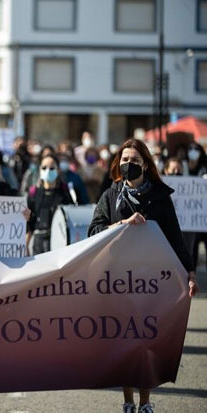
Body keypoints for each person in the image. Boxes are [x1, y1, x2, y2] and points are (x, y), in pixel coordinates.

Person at [87, 138, 198, 413]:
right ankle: (127, 400)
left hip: (151, 282)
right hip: (118, 281)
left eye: (134, 161)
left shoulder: (160, 197)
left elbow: (175, 238)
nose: (128, 165)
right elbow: (93, 232)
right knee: (124, 342)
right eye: (124, 160)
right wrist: (122, 224)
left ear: (146, 165)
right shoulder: (110, 196)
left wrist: (191, 272)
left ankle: (146, 402)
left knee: (145, 342)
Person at [26, 154, 73, 255]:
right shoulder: (34, 193)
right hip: (38, 242)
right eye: (44, 167)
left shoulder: (64, 193)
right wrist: (26, 244)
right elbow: (29, 224)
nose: (48, 170)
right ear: (40, 170)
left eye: (52, 168)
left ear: (58, 170)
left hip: (58, 241)